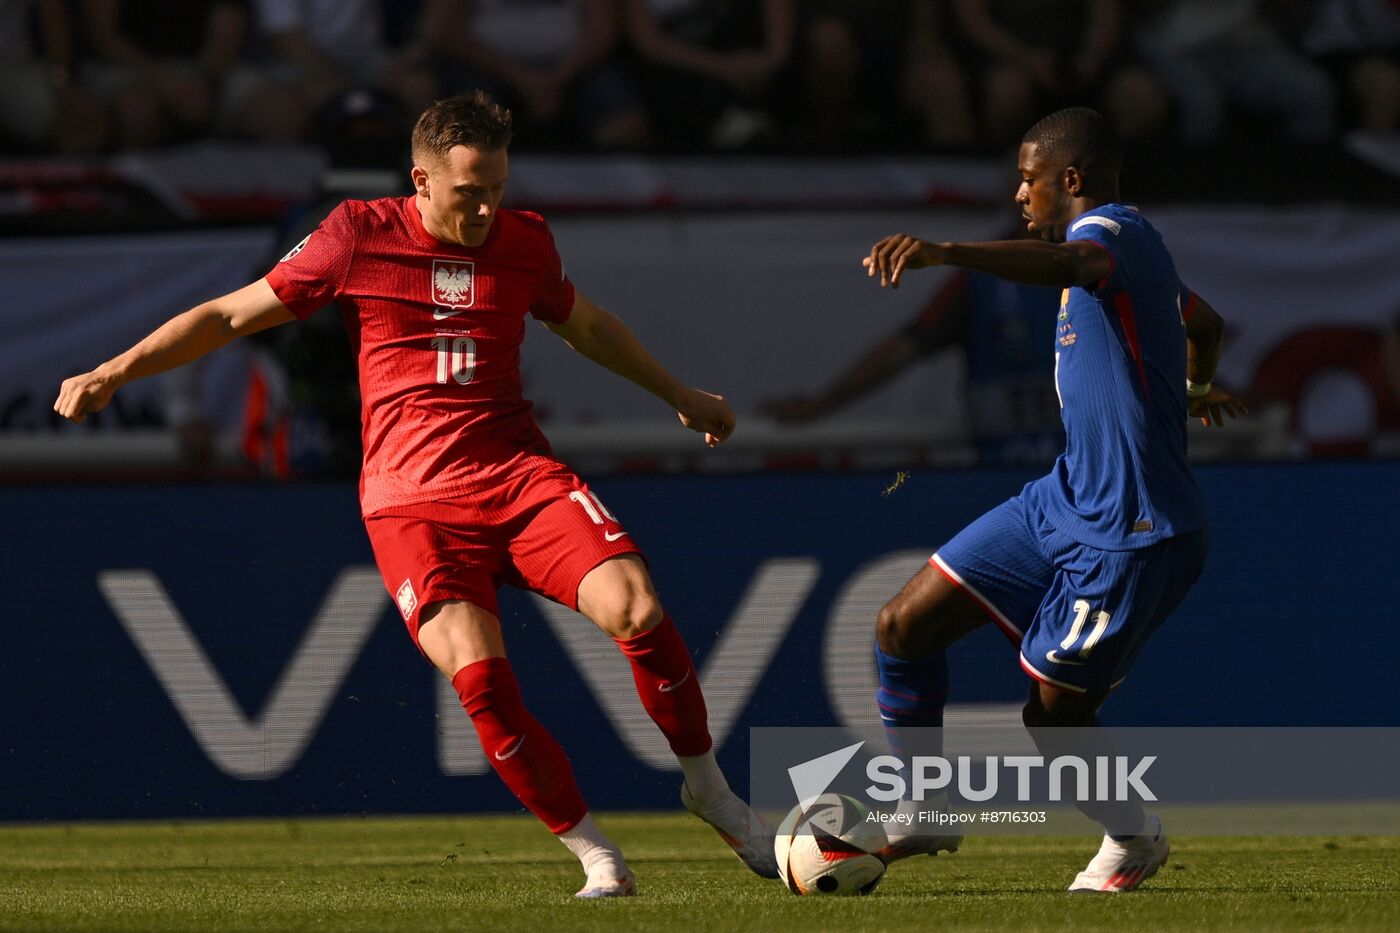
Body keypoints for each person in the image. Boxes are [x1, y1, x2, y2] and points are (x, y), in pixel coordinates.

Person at [54, 91, 776, 898]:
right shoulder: (357, 235)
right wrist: (114, 368)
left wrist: (677, 392)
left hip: (517, 475)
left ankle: (707, 787)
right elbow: (228, 315)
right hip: (412, 503)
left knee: (637, 606)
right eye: (470, 192)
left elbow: (588, 326)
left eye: (497, 188)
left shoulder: (525, 241)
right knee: (480, 678)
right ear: (421, 183)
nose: (487, 208)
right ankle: (595, 852)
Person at [859, 107, 1245, 891]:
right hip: (1062, 501)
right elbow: (1206, 320)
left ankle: (1133, 838)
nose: (1018, 193)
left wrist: (944, 251)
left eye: (1029, 178)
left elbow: (1081, 268)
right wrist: (1194, 383)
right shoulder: (1131, 256)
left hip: (1134, 528)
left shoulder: (1112, 235)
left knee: (1053, 717)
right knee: (901, 626)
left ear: (1070, 180)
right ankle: (924, 808)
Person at [760, 222, 1064, 466]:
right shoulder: (979, 280)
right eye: (1023, 182)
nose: (1024, 195)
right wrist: (820, 404)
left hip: (1089, 473)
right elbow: (903, 348)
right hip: (1004, 473)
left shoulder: (1100, 266)